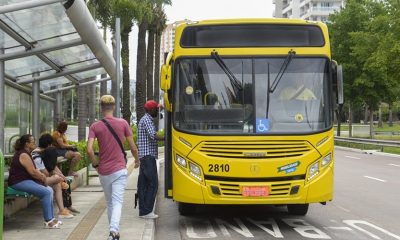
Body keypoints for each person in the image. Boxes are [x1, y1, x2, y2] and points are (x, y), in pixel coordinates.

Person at [87, 95, 139, 240]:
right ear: (114, 107)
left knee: (110, 202)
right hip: (119, 169)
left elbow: (89, 150)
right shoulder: (123, 123)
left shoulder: (95, 126)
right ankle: (113, 231)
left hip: (104, 171)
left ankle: (114, 232)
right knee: (117, 202)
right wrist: (137, 160)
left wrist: (96, 164)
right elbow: (133, 147)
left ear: (101, 108)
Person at [8, 134, 63, 228]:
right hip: (19, 182)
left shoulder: (27, 152)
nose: (34, 143)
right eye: (32, 142)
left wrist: (41, 176)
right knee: (46, 192)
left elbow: (33, 171)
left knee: (49, 190)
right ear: (26, 144)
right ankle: (48, 221)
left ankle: (52, 218)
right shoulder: (23, 154)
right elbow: (33, 172)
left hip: (25, 180)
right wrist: (43, 178)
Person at [32, 134, 74, 219]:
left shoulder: (44, 152)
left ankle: (62, 210)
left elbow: (52, 166)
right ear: (49, 144)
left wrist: (61, 175)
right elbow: (45, 173)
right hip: (36, 179)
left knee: (58, 183)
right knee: (58, 180)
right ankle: (62, 210)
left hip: (42, 178)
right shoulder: (36, 156)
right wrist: (58, 176)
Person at [137, 100, 165, 219]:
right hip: (148, 157)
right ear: (151, 110)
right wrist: (167, 137)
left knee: (143, 185)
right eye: (156, 109)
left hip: (145, 156)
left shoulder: (145, 119)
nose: (157, 111)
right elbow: (154, 135)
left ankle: (144, 211)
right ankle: (147, 211)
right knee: (153, 184)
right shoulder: (147, 120)